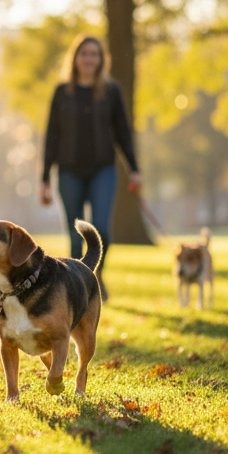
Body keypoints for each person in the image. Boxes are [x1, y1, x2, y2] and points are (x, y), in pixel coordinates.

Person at [39, 34, 139, 302]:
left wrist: (134, 169)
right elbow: (51, 136)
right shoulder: (62, 92)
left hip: (103, 170)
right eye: (84, 54)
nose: (89, 59)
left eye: (94, 54)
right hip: (69, 170)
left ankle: (95, 276)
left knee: (102, 229)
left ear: (101, 60)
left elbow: (123, 133)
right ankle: (75, 287)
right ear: (76, 58)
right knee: (74, 234)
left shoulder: (111, 92)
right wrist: (45, 177)